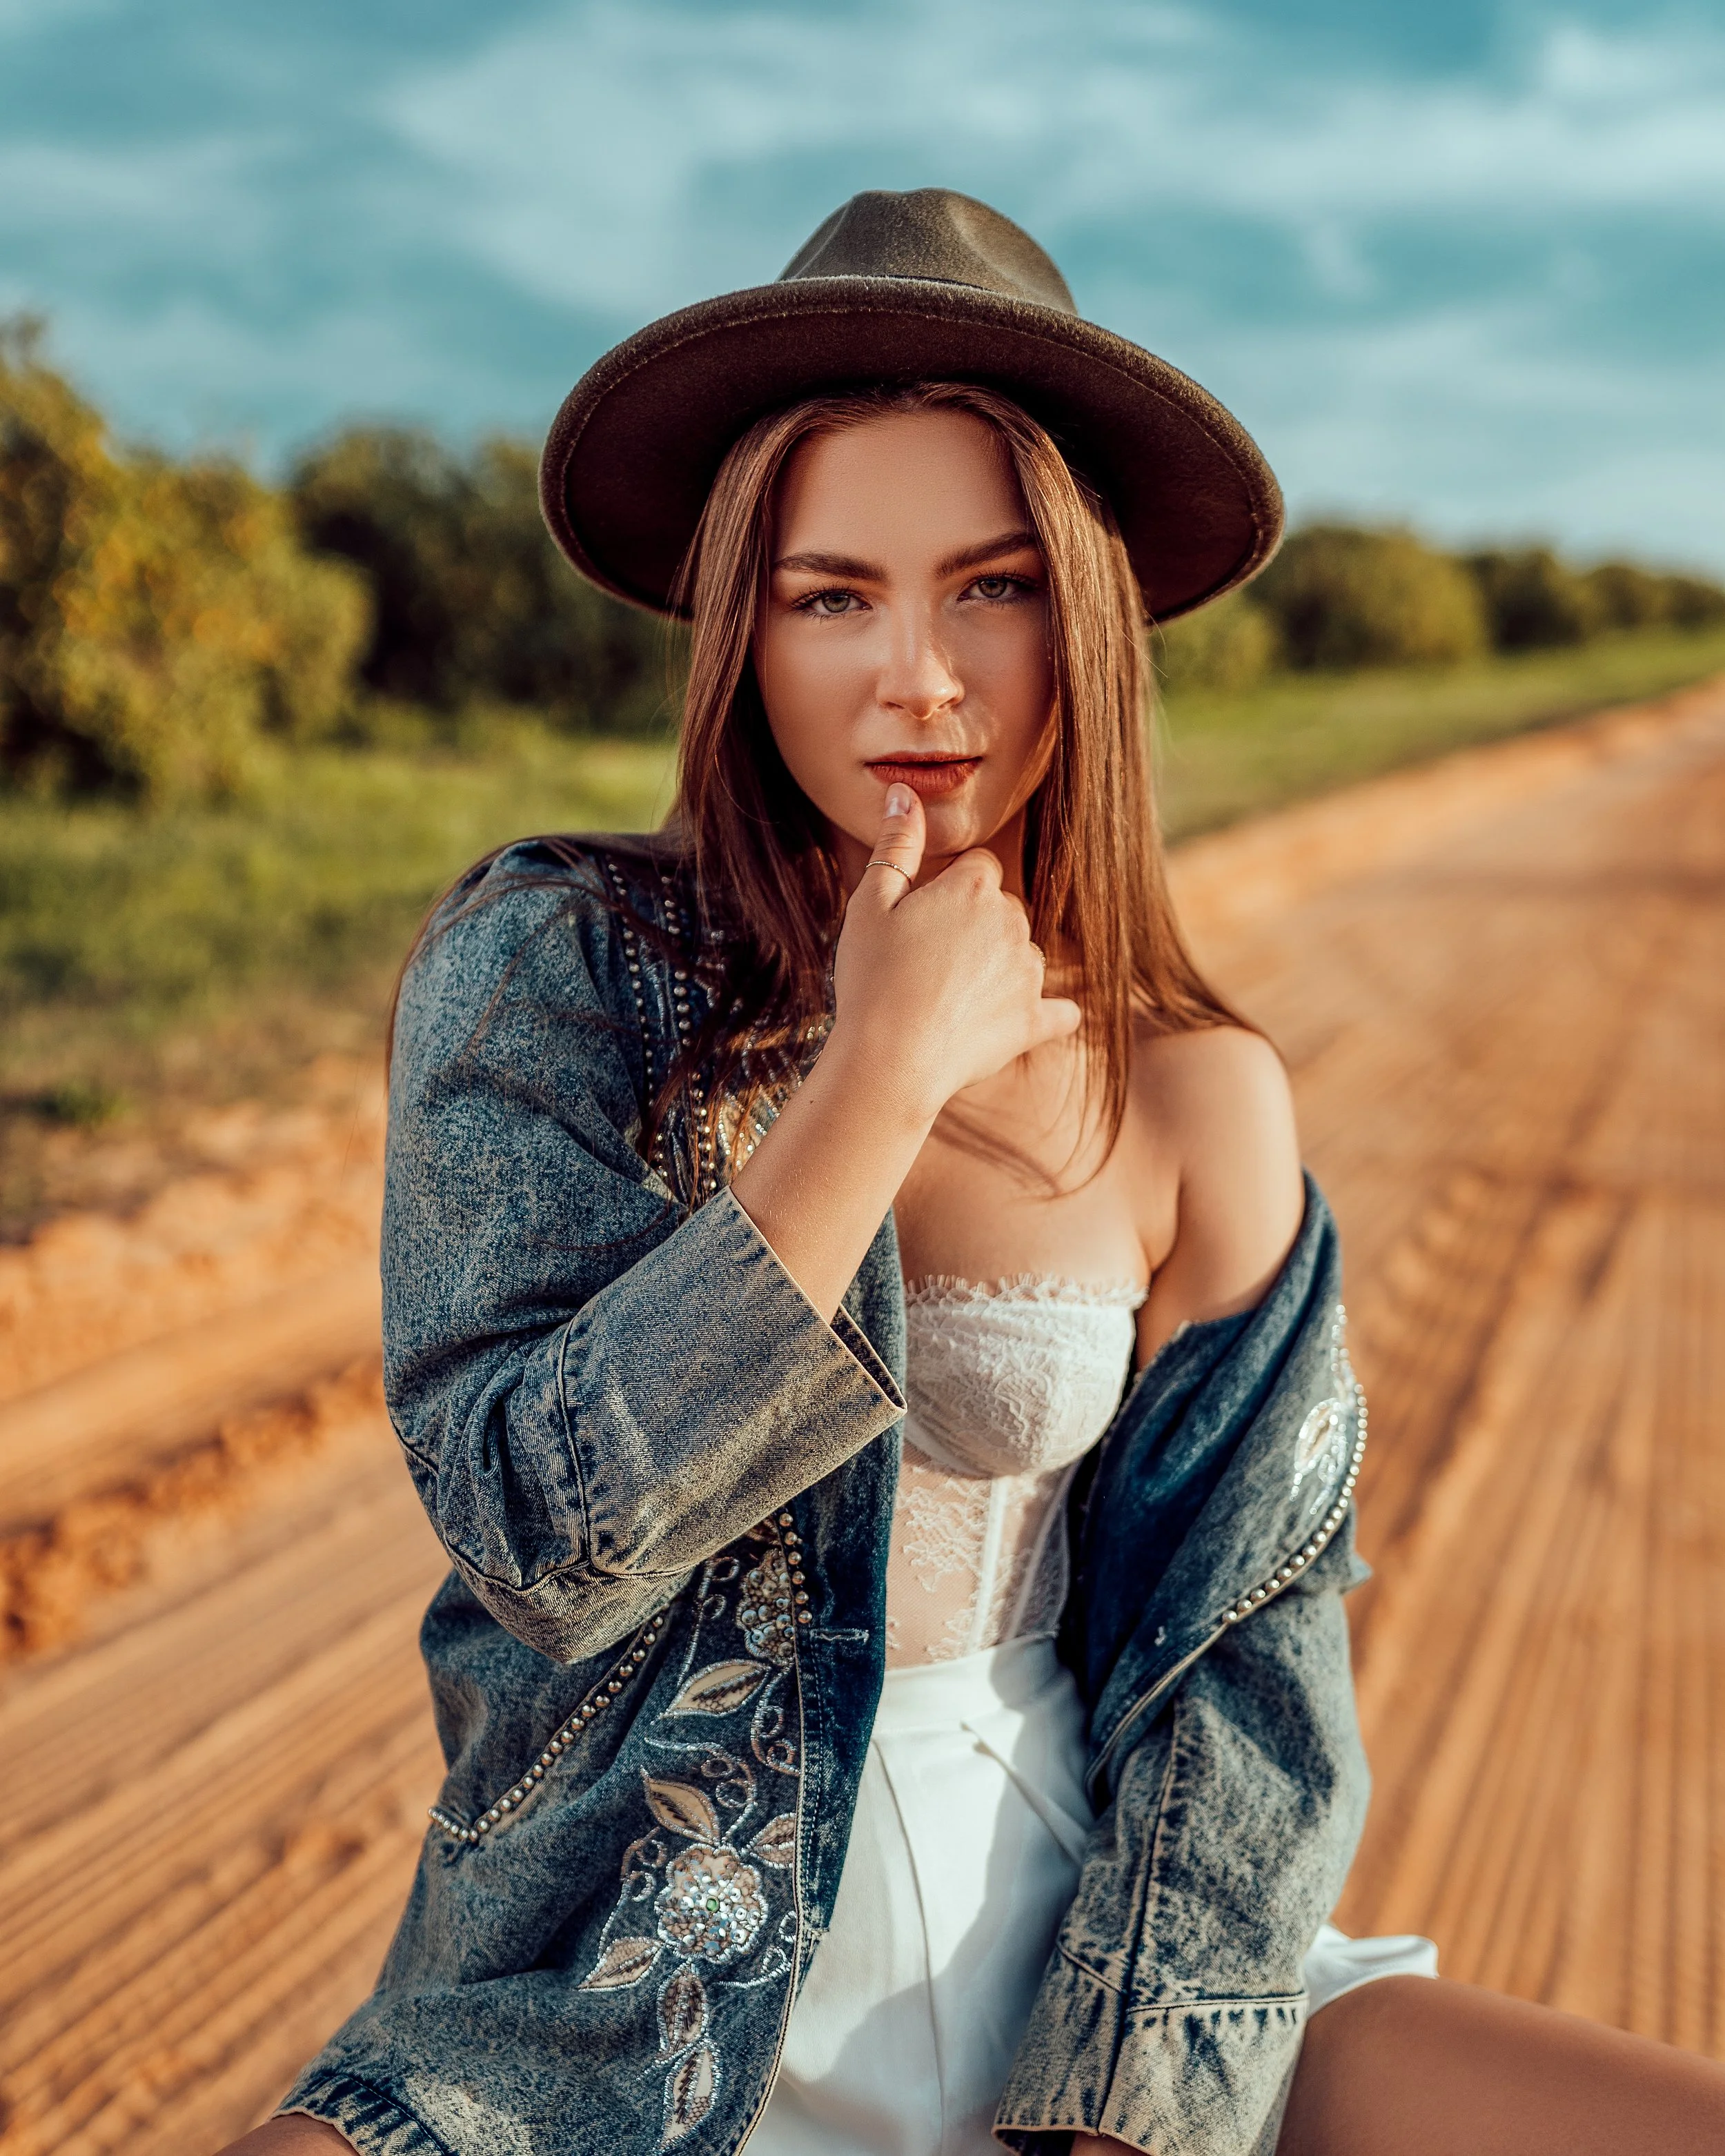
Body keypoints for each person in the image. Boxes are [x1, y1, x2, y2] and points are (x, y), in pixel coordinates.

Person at [226, 192, 1725, 2156]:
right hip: (615, 2002)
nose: (915, 679)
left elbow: (1241, 1683)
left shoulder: (1191, 1090)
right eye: (830, 595)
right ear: (740, 634)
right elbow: (541, 1527)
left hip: (1096, 1967)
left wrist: (1116, 2121)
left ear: (1080, 616)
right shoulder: (557, 967)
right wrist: (878, 1071)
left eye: (990, 588)